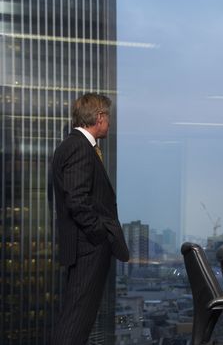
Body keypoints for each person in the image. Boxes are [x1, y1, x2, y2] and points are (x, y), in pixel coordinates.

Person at [51, 93, 129, 344]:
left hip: (83, 246)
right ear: (99, 117)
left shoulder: (73, 146)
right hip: (88, 247)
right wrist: (99, 236)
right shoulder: (78, 148)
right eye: (108, 117)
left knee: (77, 318)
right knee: (76, 320)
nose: (110, 123)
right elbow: (76, 200)